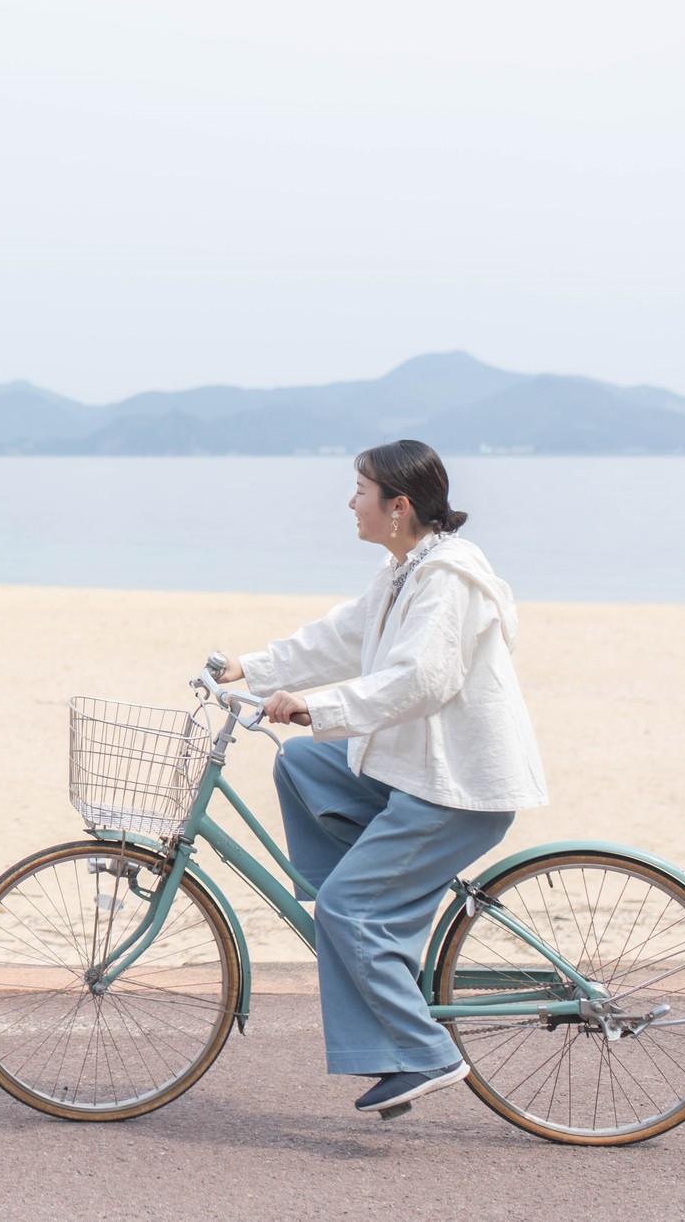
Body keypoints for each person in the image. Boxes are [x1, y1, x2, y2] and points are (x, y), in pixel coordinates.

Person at [215, 439, 546, 1117]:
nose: (349, 502)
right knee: (304, 761)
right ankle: (369, 927)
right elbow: (341, 636)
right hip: (415, 767)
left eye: (359, 490)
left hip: (456, 787)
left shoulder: (448, 578)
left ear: (397, 507)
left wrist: (319, 705)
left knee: (346, 907)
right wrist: (252, 667)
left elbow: (422, 678)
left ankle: (425, 1053)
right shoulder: (404, 569)